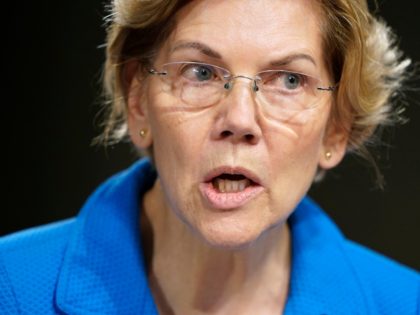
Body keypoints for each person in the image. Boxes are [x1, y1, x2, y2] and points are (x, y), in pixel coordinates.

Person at [1, 0, 419, 314]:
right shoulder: (12, 286)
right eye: (200, 73)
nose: (238, 119)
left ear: (337, 126)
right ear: (138, 100)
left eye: (289, 80)